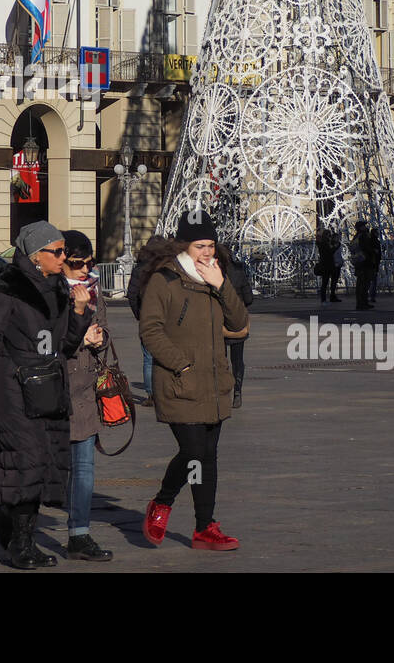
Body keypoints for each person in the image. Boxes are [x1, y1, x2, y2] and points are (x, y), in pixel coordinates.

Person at [0, 221, 95, 570]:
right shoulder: (10, 289)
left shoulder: (59, 290)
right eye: (57, 252)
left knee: (43, 463)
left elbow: (64, 345)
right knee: (28, 459)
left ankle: (11, 525)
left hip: (49, 386)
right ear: (37, 256)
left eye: (64, 251)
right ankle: (20, 544)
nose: (63, 257)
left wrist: (80, 314)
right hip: (11, 386)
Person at [138, 211, 248, 552]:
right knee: (193, 451)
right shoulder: (165, 280)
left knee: (207, 457)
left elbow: (240, 320)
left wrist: (221, 285)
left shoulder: (216, 276)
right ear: (184, 244)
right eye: (200, 245)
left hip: (214, 384)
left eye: (211, 245)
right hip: (179, 383)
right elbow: (150, 330)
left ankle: (204, 527)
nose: (207, 252)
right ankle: (162, 502)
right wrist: (181, 365)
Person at [60, 231, 112, 562]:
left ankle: (79, 534)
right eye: (78, 264)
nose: (85, 270)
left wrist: (99, 337)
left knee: (84, 468)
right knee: (45, 468)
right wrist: (81, 335)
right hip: (54, 389)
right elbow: (49, 342)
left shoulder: (94, 291)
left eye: (90, 263)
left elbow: (105, 331)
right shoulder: (48, 293)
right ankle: (18, 529)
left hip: (84, 392)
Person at [127, 236, 176, 406]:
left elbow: (132, 294)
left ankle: (151, 395)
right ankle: (167, 391)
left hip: (146, 319)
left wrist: (139, 314)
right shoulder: (167, 267)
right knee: (167, 353)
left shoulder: (139, 269)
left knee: (148, 358)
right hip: (167, 318)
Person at [217, 244, 252, 408]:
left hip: (220, 321)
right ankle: (238, 392)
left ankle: (222, 391)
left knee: (220, 359)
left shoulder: (216, 274)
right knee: (237, 360)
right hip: (237, 320)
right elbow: (249, 298)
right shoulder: (239, 272)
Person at [351, 221, 381, 311]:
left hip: (362, 262)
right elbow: (365, 247)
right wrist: (373, 251)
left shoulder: (359, 236)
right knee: (363, 284)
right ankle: (361, 303)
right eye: (363, 225)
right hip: (364, 262)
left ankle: (363, 302)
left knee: (364, 283)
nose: (365, 227)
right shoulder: (363, 236)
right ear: (360, 227)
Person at [315, 225, 342, 304]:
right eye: (328, 235)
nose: (330, 237)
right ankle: (323, 300)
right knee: (325, 282)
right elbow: (329, 252)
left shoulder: (325, 243)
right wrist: (335, 247)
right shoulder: (324, 244)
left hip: (329, 265)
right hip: (326, 265)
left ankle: (328, 298)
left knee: (328, 282)